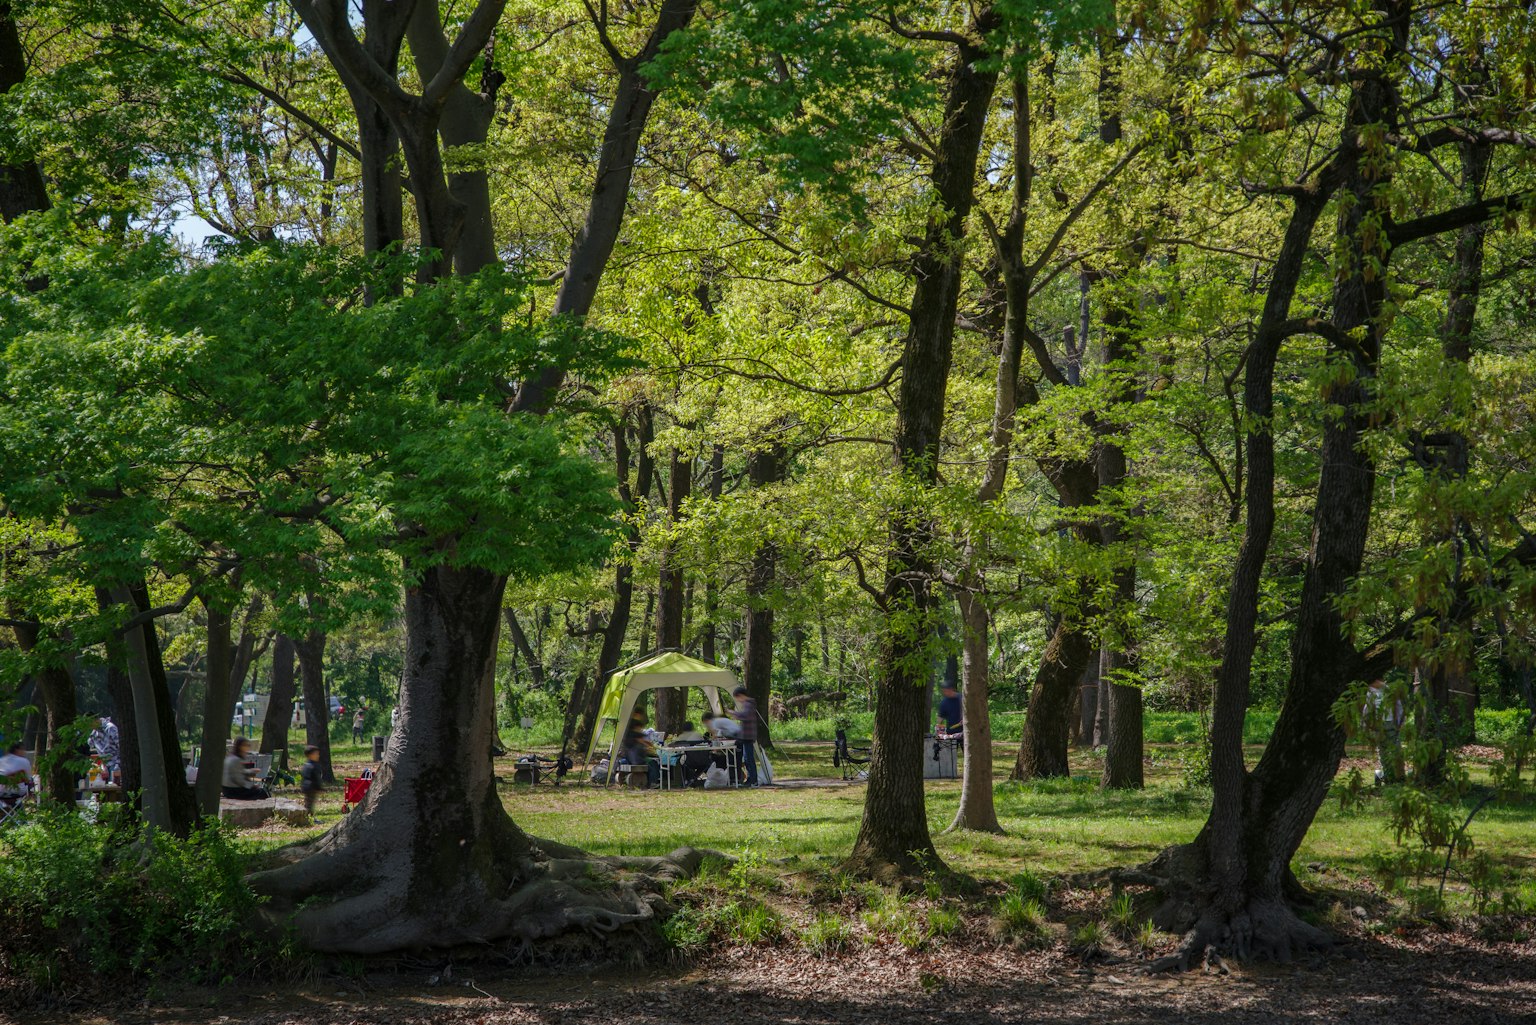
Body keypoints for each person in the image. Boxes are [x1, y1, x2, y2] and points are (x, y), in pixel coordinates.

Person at [1365, 679, 1406, 784]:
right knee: (1385, 750)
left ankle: (1399, 775)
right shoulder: (1371, 691)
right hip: (1380, 724)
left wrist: (1400, 723)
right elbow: (1368, 709)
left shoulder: (1388, 689)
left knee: (1394, 749)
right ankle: (1390, 775)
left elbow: (1398, 707)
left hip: (1390, 723)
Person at [731, 687, 760, 787]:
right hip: (745, 735)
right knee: (747, 758)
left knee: (749, 759)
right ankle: (750, 779)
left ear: (741, 695)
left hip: (748, 736)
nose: (738, 700)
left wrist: (733, 713)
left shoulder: (749, 704)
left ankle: (753, 780)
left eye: (737, 698)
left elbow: (745, 716)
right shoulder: (748, 704)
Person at [88, 715, 121, 785]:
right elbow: (90, 745)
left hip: (115, 764)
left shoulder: (110, 728)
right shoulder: (93, 733)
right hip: (104, 766)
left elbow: (120, 746)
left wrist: (118, 763)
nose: (90, 726)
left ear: (96, 720)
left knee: (115, 787)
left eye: (90, 723)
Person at [299, 745, 324, 817]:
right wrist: (319, 787)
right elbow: (316, 778)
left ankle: (308, 816)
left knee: (309, 803)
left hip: (307, 787)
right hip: (311, 787)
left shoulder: (307, 764)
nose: (318, 755)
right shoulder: (312, 766)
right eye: (316, 754)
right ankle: (308, 817)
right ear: (310, 755)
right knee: (309, 804)